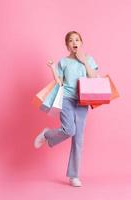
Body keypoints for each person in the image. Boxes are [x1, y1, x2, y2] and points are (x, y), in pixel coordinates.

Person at [34, 31, 100, 187]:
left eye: (77, 39)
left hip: (83, 101)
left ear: (81, 43)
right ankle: (46, 134)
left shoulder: (89, 59)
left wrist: (84, 61)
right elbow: (59, 82)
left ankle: (74, 175)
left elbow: (93, 77)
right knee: (69, 130)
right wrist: (52, 68)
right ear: (67, 45)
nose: (74, 42)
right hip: (67, 100)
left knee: (79, 139)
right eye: (71, 40)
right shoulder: (63, 62)